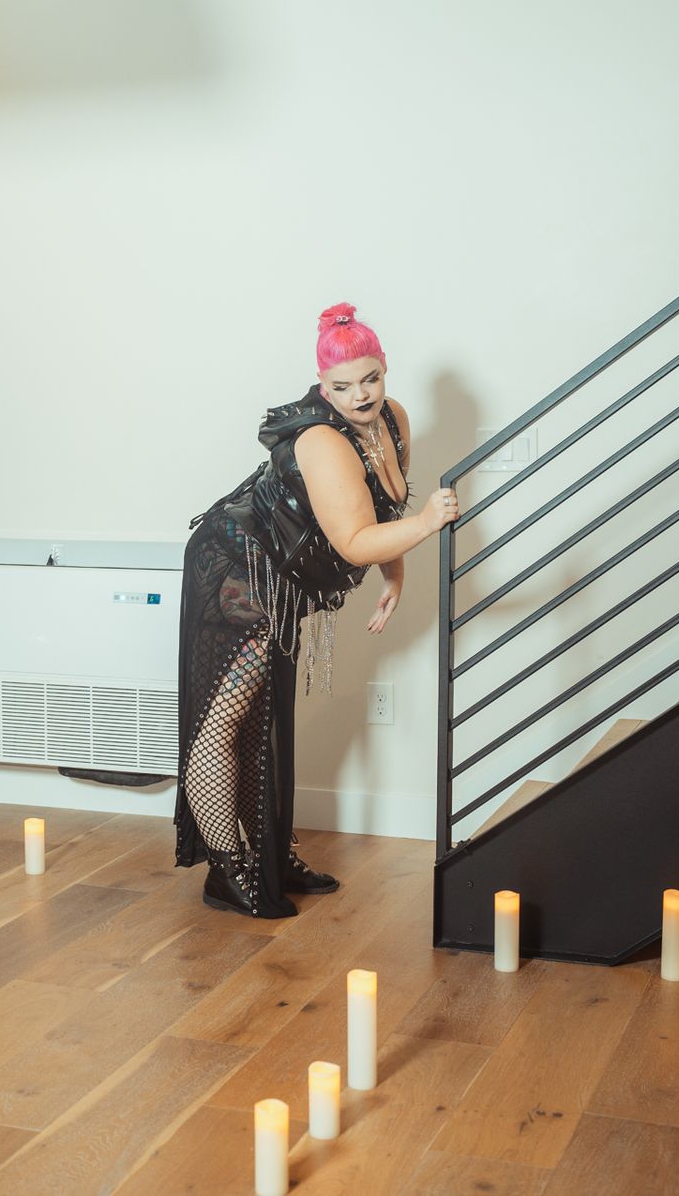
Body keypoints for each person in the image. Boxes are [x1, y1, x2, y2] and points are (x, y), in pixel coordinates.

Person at [175, 304, 458, 917]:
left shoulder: (392, 421)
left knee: (266, 717)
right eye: (342, 386)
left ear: (385, 370)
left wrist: (397, 567)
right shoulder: (322, 442)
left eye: (371, 379)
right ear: (321, 385)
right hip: (237, 570)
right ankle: (229, 871)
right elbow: (354, 540)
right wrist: (427, 526)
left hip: (279, 576)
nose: (360, 395)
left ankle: (269, 855)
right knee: (224, 720)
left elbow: (377, 513)